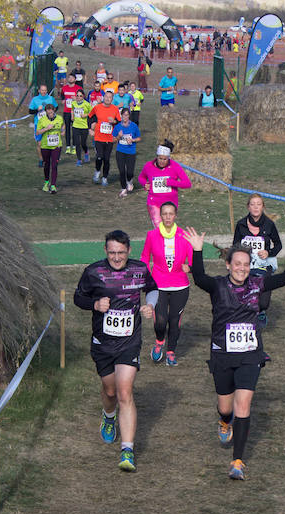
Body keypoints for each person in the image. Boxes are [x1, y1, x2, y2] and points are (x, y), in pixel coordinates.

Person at [184, 225, 285, 480]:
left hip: (250, 354)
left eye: (246, 263)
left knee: (244, 404)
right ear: (228, 265)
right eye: (237, 264)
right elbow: (198, 277)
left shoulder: (257, 283)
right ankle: (223, 421)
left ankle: (237, 461)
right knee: (225, 406)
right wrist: (197, 250)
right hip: (222, 354)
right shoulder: (217, 286)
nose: (242, 268)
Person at [73, 230, 158, 472]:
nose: (117, 257)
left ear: (129, 251)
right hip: (102, 344)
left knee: (124, 391)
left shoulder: (139, 270)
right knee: (110, 391)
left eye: (121, 252)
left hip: (129, 342)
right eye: (112, 252)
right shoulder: (93, 272)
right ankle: (109, 416)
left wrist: (150, 305)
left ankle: (127, 450)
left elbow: (152, 288)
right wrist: (95, 304)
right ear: (105, 251)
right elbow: (78, 298)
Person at [140, 202, 193, 366]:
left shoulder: (184, 236)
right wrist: (146, 278)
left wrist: (189, 268)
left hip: (180, 286)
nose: (168, 217)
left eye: (171, 214)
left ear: (175, 215)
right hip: (158, 286)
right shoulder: (152, 235)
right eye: (165, 214)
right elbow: (144, 258)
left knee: (174, 321)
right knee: (161, 321)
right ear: (160, 216)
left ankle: (171, 352)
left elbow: (194, 262)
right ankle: (159, 342)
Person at [232, 194, 282, 324]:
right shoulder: (241, 224)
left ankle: (261, 312)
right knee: (243, 294)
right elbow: (235, 245)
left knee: (263, 301)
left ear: (263, 207)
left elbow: (278, 244)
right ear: (248, 207)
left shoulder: (269, 224)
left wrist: (268, 252)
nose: (255, 207)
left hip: (263, 265)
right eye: (252, 204)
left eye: (258, 204)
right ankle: (245, 316)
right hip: (245, 265)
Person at [137, 140, 192, 226]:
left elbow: (187, 184)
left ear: (168, 158)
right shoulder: (149, 166)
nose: (162, 161)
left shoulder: (175, 166)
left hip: (170, 203)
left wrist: (172, 182)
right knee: (159, 228)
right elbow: (141, 177)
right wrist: (145, 184)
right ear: (157, 157)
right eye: (160, 158)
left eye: (165, 159)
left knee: (168, 228)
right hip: (154, 202)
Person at [88, 90, 120, 186]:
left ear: (112, 99)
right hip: (98, 137)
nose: (107, 99)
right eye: (106, 96)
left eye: (110, 97)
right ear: (103, 97)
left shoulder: (115, 109)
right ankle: (97, 172)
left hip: (109, 138)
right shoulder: (97, 107)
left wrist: (114, 121)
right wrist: (90, 129)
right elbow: (90, 117)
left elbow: (119, 122)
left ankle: (105, 178)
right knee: (99, 157)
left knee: (106, 159)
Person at [36, 104, 64, 194]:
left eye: (52, 112)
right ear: (46, 112)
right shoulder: (42, 120)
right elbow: (37, 132)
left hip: (56, 145)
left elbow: (63, 125)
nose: (50, 114)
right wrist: (46, 129)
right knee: (47, 164)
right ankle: (46, 182)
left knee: (54, 165)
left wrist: (63, 131)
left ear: (54, 110)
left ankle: (53, 185)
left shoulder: (59, 118)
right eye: (48, 113)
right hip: (45, 146)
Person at [112, 108, 141, 198]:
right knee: (121, 171)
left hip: (131, 152)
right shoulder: (117, 127)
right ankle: (123, 188)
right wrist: (118, 136)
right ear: (121, 116)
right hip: (120, 151)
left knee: (129, 172)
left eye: (127, 115)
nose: (125, 117)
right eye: (124, 115)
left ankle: (129, 181)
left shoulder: (134, 126)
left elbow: (139, 138)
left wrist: (132, 140)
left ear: (129, 116)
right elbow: (113, 140)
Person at [28, 84, 56, 167]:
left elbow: (56, 107)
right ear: (39, 91)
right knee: (39, 144)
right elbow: (30, 111)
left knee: (50, 143)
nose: (43, 92)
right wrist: (37, 110)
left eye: (45, 90)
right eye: (42, 90)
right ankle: (41, 160)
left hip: (49, 124)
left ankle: (49, 159)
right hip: (39, 125)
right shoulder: (35, 99)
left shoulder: (51, 99)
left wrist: (51, 112)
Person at [60, 74, 82, 155]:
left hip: (75, 112)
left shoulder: (78, 88)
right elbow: (62, 94)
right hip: (66, 112)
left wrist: (76, 98)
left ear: (75, 80)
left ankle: (75, 147)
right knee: (67, 130)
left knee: (75, 130)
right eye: (69, 77)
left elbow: (83, 98)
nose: (70, 78)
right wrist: (63, 99)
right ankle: (68, 147)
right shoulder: (64, 88)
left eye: (72, 77)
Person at [70, 88, 92, 166]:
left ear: (83, 96)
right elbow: (72, 109)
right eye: (77, 96)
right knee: (77, 143)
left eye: (80, 96)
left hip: (84, 126)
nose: (78, 97)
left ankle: (86, 152)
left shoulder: (87, 104)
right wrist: (72, 116)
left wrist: (85, 115)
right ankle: (79, 160)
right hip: (75, 126)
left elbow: (91, 113)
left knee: (83, 143)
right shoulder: (74, 103)